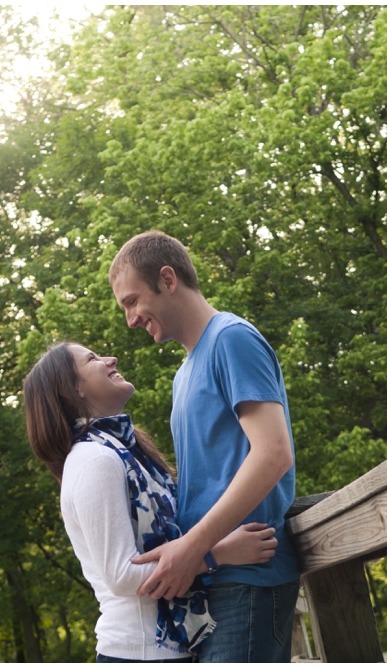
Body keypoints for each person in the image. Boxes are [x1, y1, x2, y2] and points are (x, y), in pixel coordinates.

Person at [109, 231, 301, 663]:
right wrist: (202, 557)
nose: (131, 319)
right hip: (212, 578)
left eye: (132, 301)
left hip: (251, 579)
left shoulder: (231, 338)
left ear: (167, 278)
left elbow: (273, 453)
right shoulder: (183, 375)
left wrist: (194, 547)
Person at [23, 342, 279, 662]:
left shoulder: (123, 452)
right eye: (92, 359)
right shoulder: (94, 459)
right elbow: (122, 575)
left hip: (162, 648)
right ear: (70, 390)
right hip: (140, 651)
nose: (110, 358)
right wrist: (219, 553)